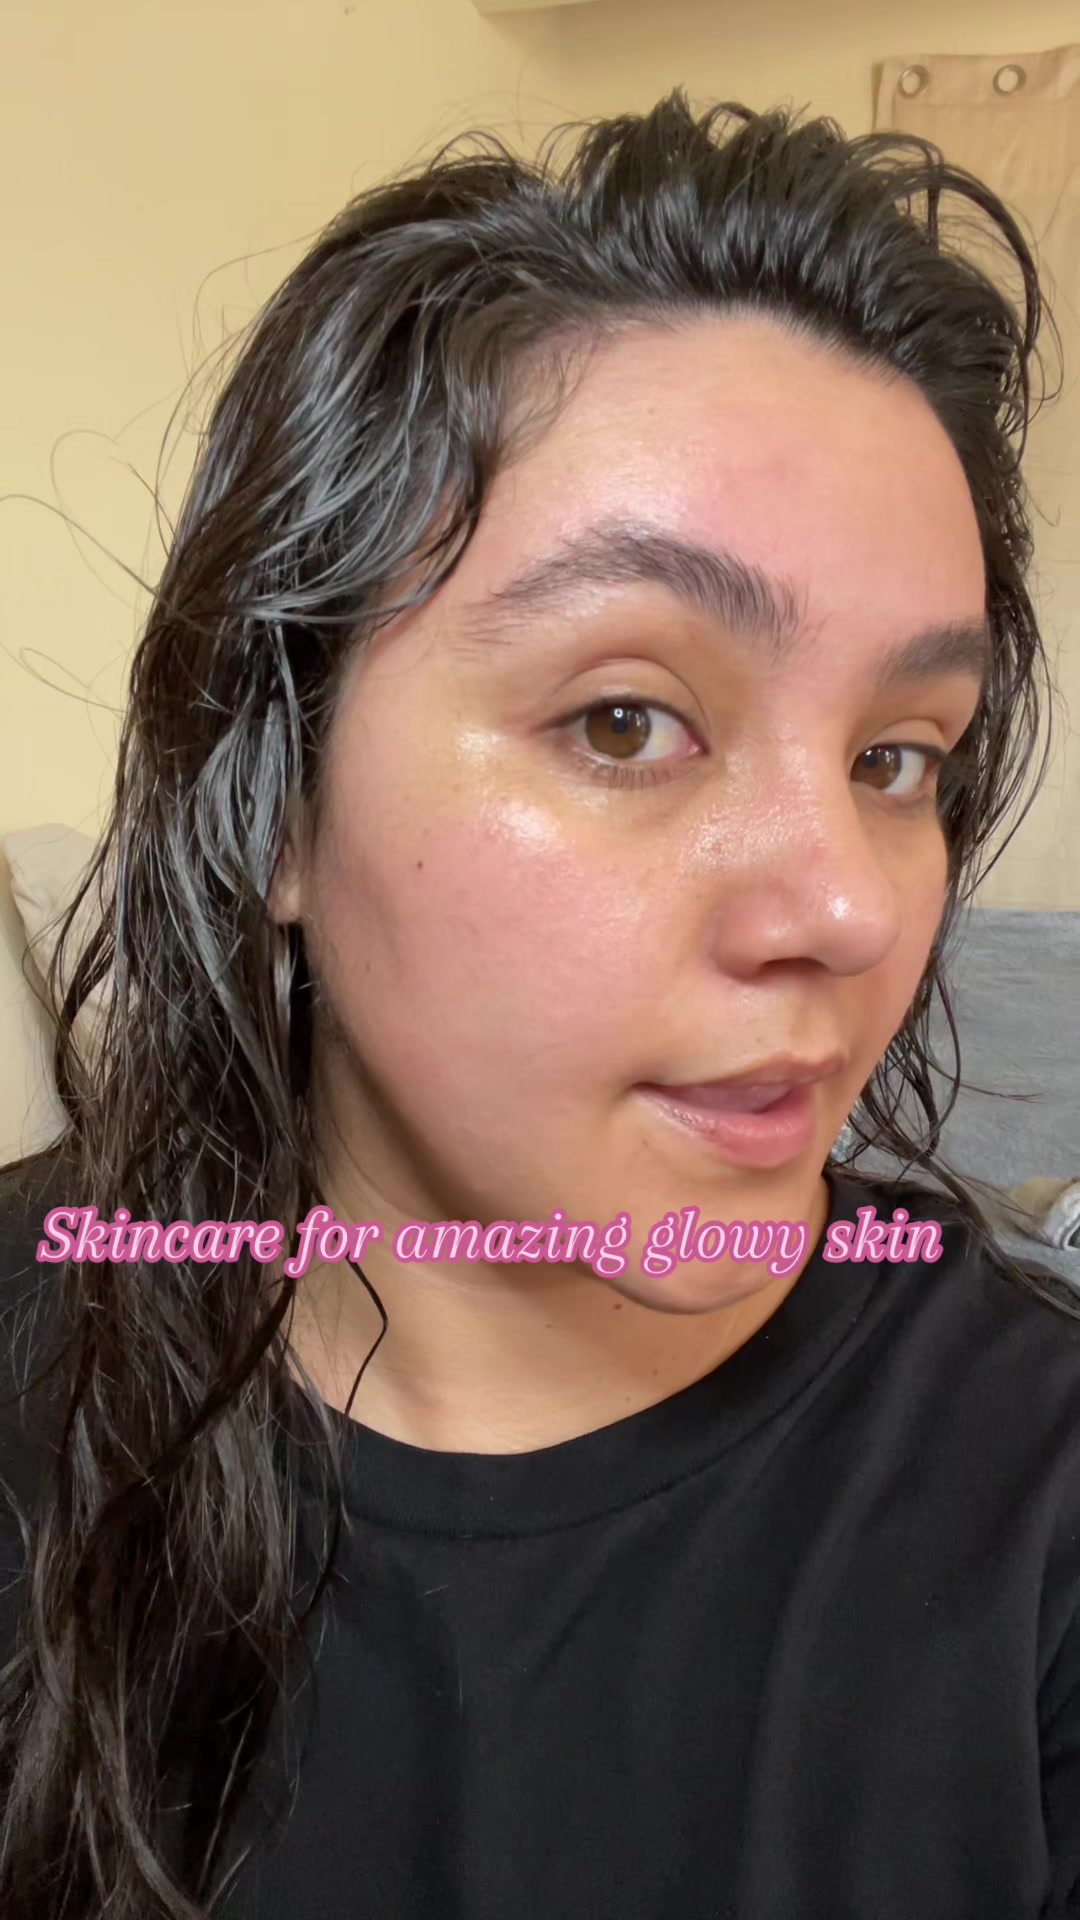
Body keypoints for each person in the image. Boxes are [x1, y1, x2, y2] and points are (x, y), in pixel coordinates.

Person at [0, 86, 1076, 1920]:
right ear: (274, 794)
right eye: (625, 720)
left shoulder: (1035, 1506)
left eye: (900, 756)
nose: (849, 906)